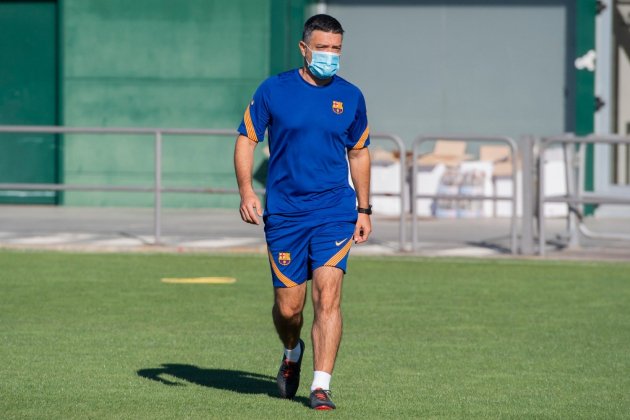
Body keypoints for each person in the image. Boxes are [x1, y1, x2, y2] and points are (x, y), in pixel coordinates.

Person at [233, 14, 372, 411]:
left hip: (334, 211)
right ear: (304, 48)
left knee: (328, 297)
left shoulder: (352, 97)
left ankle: (321, 385)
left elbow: (359, 152)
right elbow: (247, 139)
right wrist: (246, 191)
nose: (330, 56)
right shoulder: (274, 90)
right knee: (288, 308)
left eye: (336, 49)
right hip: (285, 214)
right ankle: (292, 351)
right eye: (323, 48)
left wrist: (364, 208)